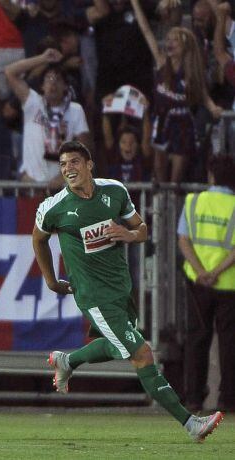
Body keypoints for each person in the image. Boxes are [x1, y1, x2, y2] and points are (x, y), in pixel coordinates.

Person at [33, 140, 224, 443]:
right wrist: (51, 280)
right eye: (63, 164)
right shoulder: (55, 207)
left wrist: (129, 234)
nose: (68, 169)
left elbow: (142, 228)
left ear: (89, 164)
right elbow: (38, 240)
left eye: (74, 162)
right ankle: (191, 424)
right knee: (141, 353)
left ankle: (67, 362)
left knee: (115, 345)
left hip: (121, 287)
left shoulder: (114, 191)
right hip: (92, 294)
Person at [131, 0, 223, 183]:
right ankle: (159, 208)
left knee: (176, 180)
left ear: (185, 46)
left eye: (175, 39)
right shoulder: (161, 62)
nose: (169, 42)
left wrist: (213, 107)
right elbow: (146, 30)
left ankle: (173, 205)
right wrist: (135, 3)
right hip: (161, 118)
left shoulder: (191, 72)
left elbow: (203, 94)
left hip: (182, 123)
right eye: (169, 38)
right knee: (159, 173)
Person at [177, 155, 235, 413]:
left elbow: (183, 240)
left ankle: (193, 397)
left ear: (211, 175)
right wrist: (216, 271)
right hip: (229, 284)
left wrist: (201, 272)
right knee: (229, 342)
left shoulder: (193, 201)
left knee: (197, 338)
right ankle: (228, 399)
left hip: (196, 283)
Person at [5, 48, 91, 188]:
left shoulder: (75, 110)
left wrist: (64, 177)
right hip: (30, 183)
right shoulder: (32, 102)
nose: (53, 83)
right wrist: (43, 58)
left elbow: (84, 149)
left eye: (58, 80)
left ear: (65, 86)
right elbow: (10, 71)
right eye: (49, 79)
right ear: (42, 86)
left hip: (61, 187)